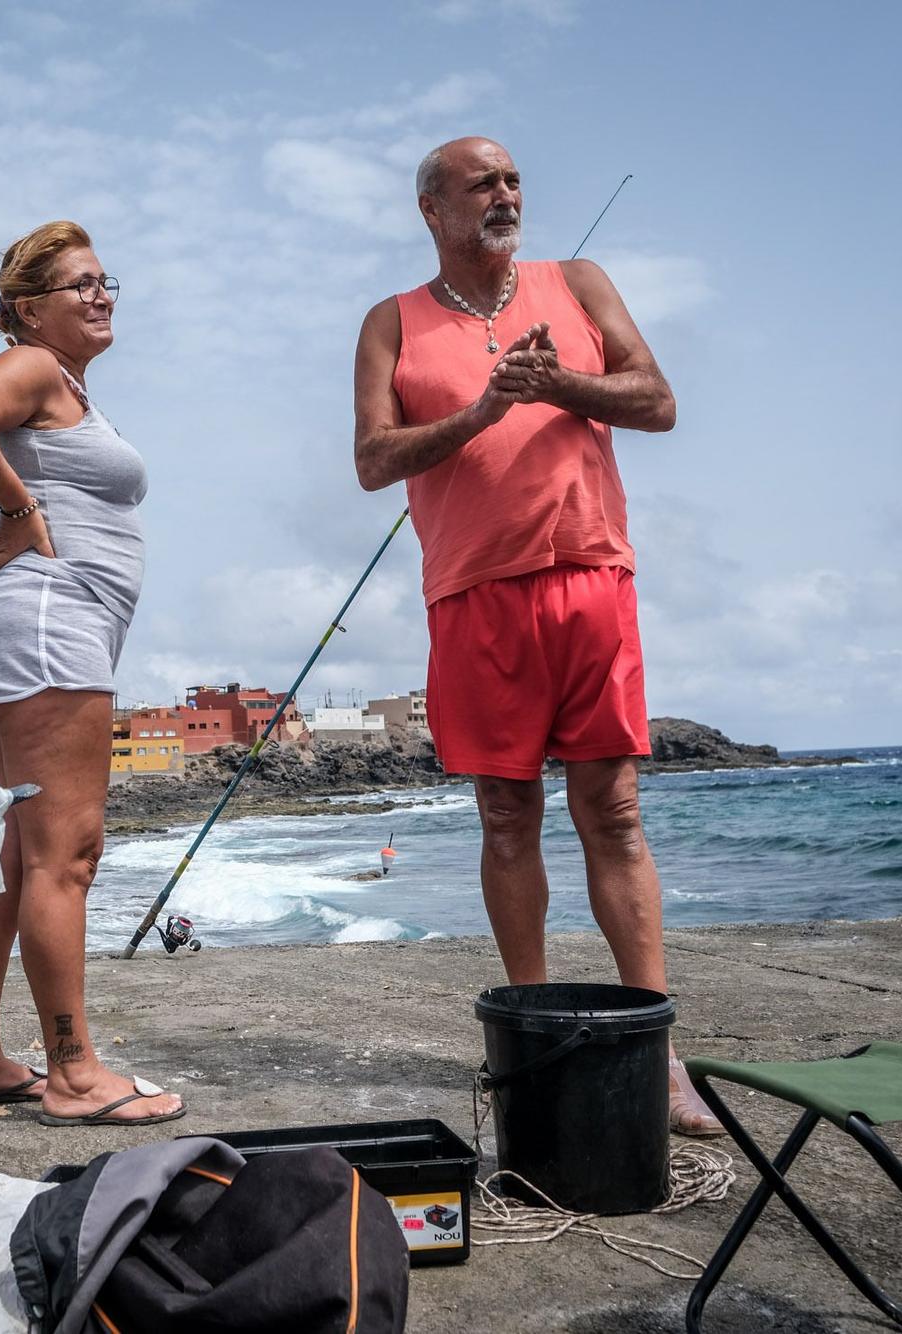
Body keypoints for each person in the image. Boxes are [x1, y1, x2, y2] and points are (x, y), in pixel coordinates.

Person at [352, 137, 721, 1135]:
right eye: (482, 184)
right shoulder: (391, 321)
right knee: (506, 817)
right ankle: (528, 1028)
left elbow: (657, 400)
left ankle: (655, 1050)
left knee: (613, 810)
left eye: (512, 179)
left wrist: (557, 386)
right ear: (432, 209)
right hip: (472, 594)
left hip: (589, 576)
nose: (505, 194)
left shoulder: (578, 282)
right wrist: (482, 408)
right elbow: (372, 459)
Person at [0, 220, 183, 1127]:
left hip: (21, 629)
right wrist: (26, 513)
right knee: (64, 855)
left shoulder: (61, 391)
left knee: (9, 855)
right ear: (30, 310)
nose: (102, 294)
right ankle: (73, 1073)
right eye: (81, 284)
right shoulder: (32, 368)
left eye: (109, 280)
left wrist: (10, 521)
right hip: (47, 632)